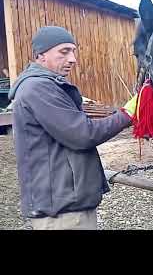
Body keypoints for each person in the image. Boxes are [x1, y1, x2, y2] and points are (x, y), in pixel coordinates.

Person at [8, 26, 138, 230]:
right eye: (64, 51)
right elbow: (84, 134)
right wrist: (129, 113)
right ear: (40, 55)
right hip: (62, 213)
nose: (73, 59)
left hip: (65, 204)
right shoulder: (38, 88)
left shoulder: (45, 85)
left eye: (73, 51)